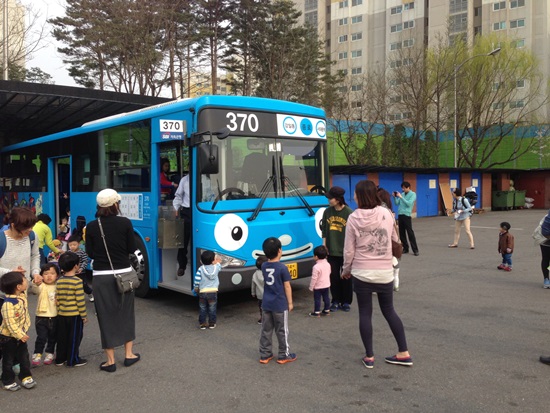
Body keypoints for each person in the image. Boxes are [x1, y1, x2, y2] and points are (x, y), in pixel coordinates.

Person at [342, 180, 413, 369]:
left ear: (360, 195)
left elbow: (349, 250)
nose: (354, 197)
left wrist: (345, 270)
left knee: (365, 313)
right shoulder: (386, 213)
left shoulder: (353, 217)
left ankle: (369, 357)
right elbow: (395, 239)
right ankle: (404, 352)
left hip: (361, 272)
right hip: (384, 272)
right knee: (389, 311)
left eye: (356, 193)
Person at [85, 188, 140, 373]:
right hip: (124, 275)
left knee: (105, 316)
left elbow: (90, 253)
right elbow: (131, 248)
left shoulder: (92, 226)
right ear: (115, 204)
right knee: (126, 313)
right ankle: (129, 355)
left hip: (101, 277)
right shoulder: (125, 223)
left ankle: (110, 361)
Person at [0, 207, 42, 365]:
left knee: (19, 330)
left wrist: (36, 273)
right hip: (2, 295)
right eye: (25, 228)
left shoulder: (31, 236)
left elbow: (35, 255)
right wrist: (11, 272)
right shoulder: (1, 239)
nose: (29, 231)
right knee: (4, 333)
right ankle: (7, 366)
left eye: (31, 227)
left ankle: (16, 364)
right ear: (12, 224)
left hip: (20, 295)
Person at [259, 237, 296, 365]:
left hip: (266, 303)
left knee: (266, 329)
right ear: (280, 251)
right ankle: (283, 354)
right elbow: (287, 286)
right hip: (279, 304)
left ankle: (265, 354)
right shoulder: (282, 268)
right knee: (282, 330)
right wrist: (290, 302)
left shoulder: (264, 265)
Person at [0, 271, 36, 390]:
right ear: (18, 287)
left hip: (21, 334)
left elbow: (25, 289)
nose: (26, 280)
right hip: (9, 337)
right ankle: (7, 381)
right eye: (24, 279)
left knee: (24, 357)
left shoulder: (20, 296)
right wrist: (20, 334)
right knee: (8, 360)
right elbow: (10, 323)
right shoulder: (8, 304)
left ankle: (25, 377)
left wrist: (17, 273)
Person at [321, 186, 353, 312]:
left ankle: (346, 302)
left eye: (331, 198)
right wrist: (324, 245)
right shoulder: (327, 212)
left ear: (338, 199)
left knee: (346, 277)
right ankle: (335, 300)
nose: (329, 200)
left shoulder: (349, 213)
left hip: (346, 251)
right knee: (333, 277)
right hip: (331, 250)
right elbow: (324, 231)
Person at [55, 251, 88, 367]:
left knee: (62, 337)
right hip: (74, 315)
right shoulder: (78, 282)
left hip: (61, 314)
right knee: (74, 338)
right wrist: (83, 316)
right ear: (76, 266)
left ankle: (60, 358)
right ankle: (73, 359)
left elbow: (57, 298)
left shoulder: (59, 281)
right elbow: (80, 301)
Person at [30, 263, 60, 367]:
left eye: (52, 273)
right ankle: (37, 354)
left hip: (55, 316)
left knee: (53, 337)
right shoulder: (41, 286)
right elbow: (34, 289)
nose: (49, 276)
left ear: (57, 275)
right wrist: (35, 281)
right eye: (46, 273)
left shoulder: (58, 286)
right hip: (41, 317)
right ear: (42, 275)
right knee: (41, 337)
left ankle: (50, 353)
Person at [378, 188, 401, 292]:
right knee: (392, 258)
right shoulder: (390, 211)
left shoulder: (377, 209)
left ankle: (381, 285)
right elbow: (394, 227)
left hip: (380, 239)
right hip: (390, 239)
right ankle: (396, 280)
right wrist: (397, 240)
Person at [194, 250, 221, 330]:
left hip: (203, 292)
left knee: (203, 308)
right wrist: (217, 261)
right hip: (213, 292)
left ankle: (202, 324)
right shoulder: (216, 268)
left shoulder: (200, 269)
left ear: (201, 261)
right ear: (213, 261)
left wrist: (196, 288)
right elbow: (219, 265)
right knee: (212, 308)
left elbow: (197, 280)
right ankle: (212, 323)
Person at [393, 181, 419, 256]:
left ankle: (415, 250)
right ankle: (405, 248)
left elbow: (409, 204)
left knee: (410, 232)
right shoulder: (403, 194)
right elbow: (397, 203)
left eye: (404, 188)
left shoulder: (413, 194)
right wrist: (395, 197)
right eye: (402, 188)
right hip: (400, 214)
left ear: (408, 187)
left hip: (407, 215)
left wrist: (401, 197)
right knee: (402, 233)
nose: (403, 189)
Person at [173, 174, 190, 277]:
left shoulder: (205, 178)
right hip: (187, 212)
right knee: (184, 240)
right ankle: (182, 266)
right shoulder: (184, 180)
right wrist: (176, 208)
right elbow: (178, 196)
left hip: (200, 210)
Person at [67, 235, 93, 302]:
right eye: (70, 245)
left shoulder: (82, 252)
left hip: (80, 272)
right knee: (71, 285)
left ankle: (90, 293)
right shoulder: (68, 253)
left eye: (74, 245)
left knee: (83, 285)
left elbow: (85, 261)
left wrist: (81, 268)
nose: (72, 246)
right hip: (71, 273)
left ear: (79, 244)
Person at [308, 245, 331, 317]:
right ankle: (327, 310)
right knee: (326, 298)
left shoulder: (316, 267)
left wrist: (311, 287)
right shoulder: (328, 264)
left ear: (316, 257)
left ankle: (317, 312)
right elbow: (329, 272)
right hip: (326, 285)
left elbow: (314, 278)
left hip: (318, 287)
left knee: (317, 299)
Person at [251, 255, 268, 325]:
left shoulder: (255, 274)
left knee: (261, 307)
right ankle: (269, 319)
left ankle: (262, 318)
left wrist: (253, 293)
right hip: (268, 295)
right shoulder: (267, 274)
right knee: (268, 308)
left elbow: (253, 285)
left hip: (260, 295)